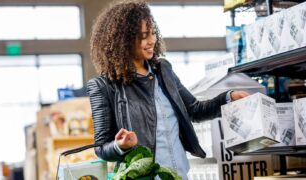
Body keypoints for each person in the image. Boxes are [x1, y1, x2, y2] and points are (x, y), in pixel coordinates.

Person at [86, 0, 250, 179]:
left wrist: (227, 98)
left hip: (179, 174)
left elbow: (195, 110)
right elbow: (101, 148)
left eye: (153, 33)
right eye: (143, 36)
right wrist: (120, 146)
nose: (151, 40)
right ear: (123, 40)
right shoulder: (104, 86)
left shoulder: (163, 70)